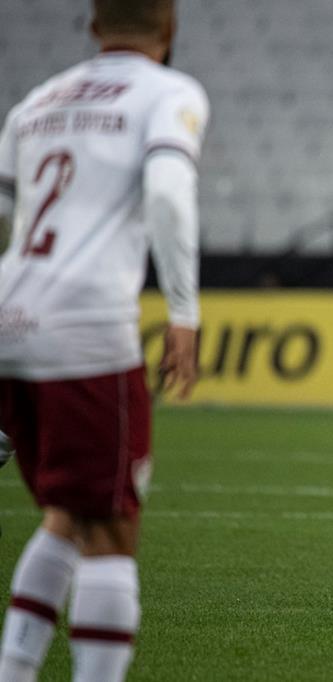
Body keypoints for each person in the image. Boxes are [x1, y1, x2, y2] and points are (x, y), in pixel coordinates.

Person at [0, 1, 207, 679]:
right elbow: (170, 194)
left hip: (11, 321)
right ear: (169, 29)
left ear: (92, 27)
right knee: (113, 529)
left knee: (66, 514)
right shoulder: (168, 93)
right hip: (85, 330)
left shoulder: (37, 101)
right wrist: (182, 310)